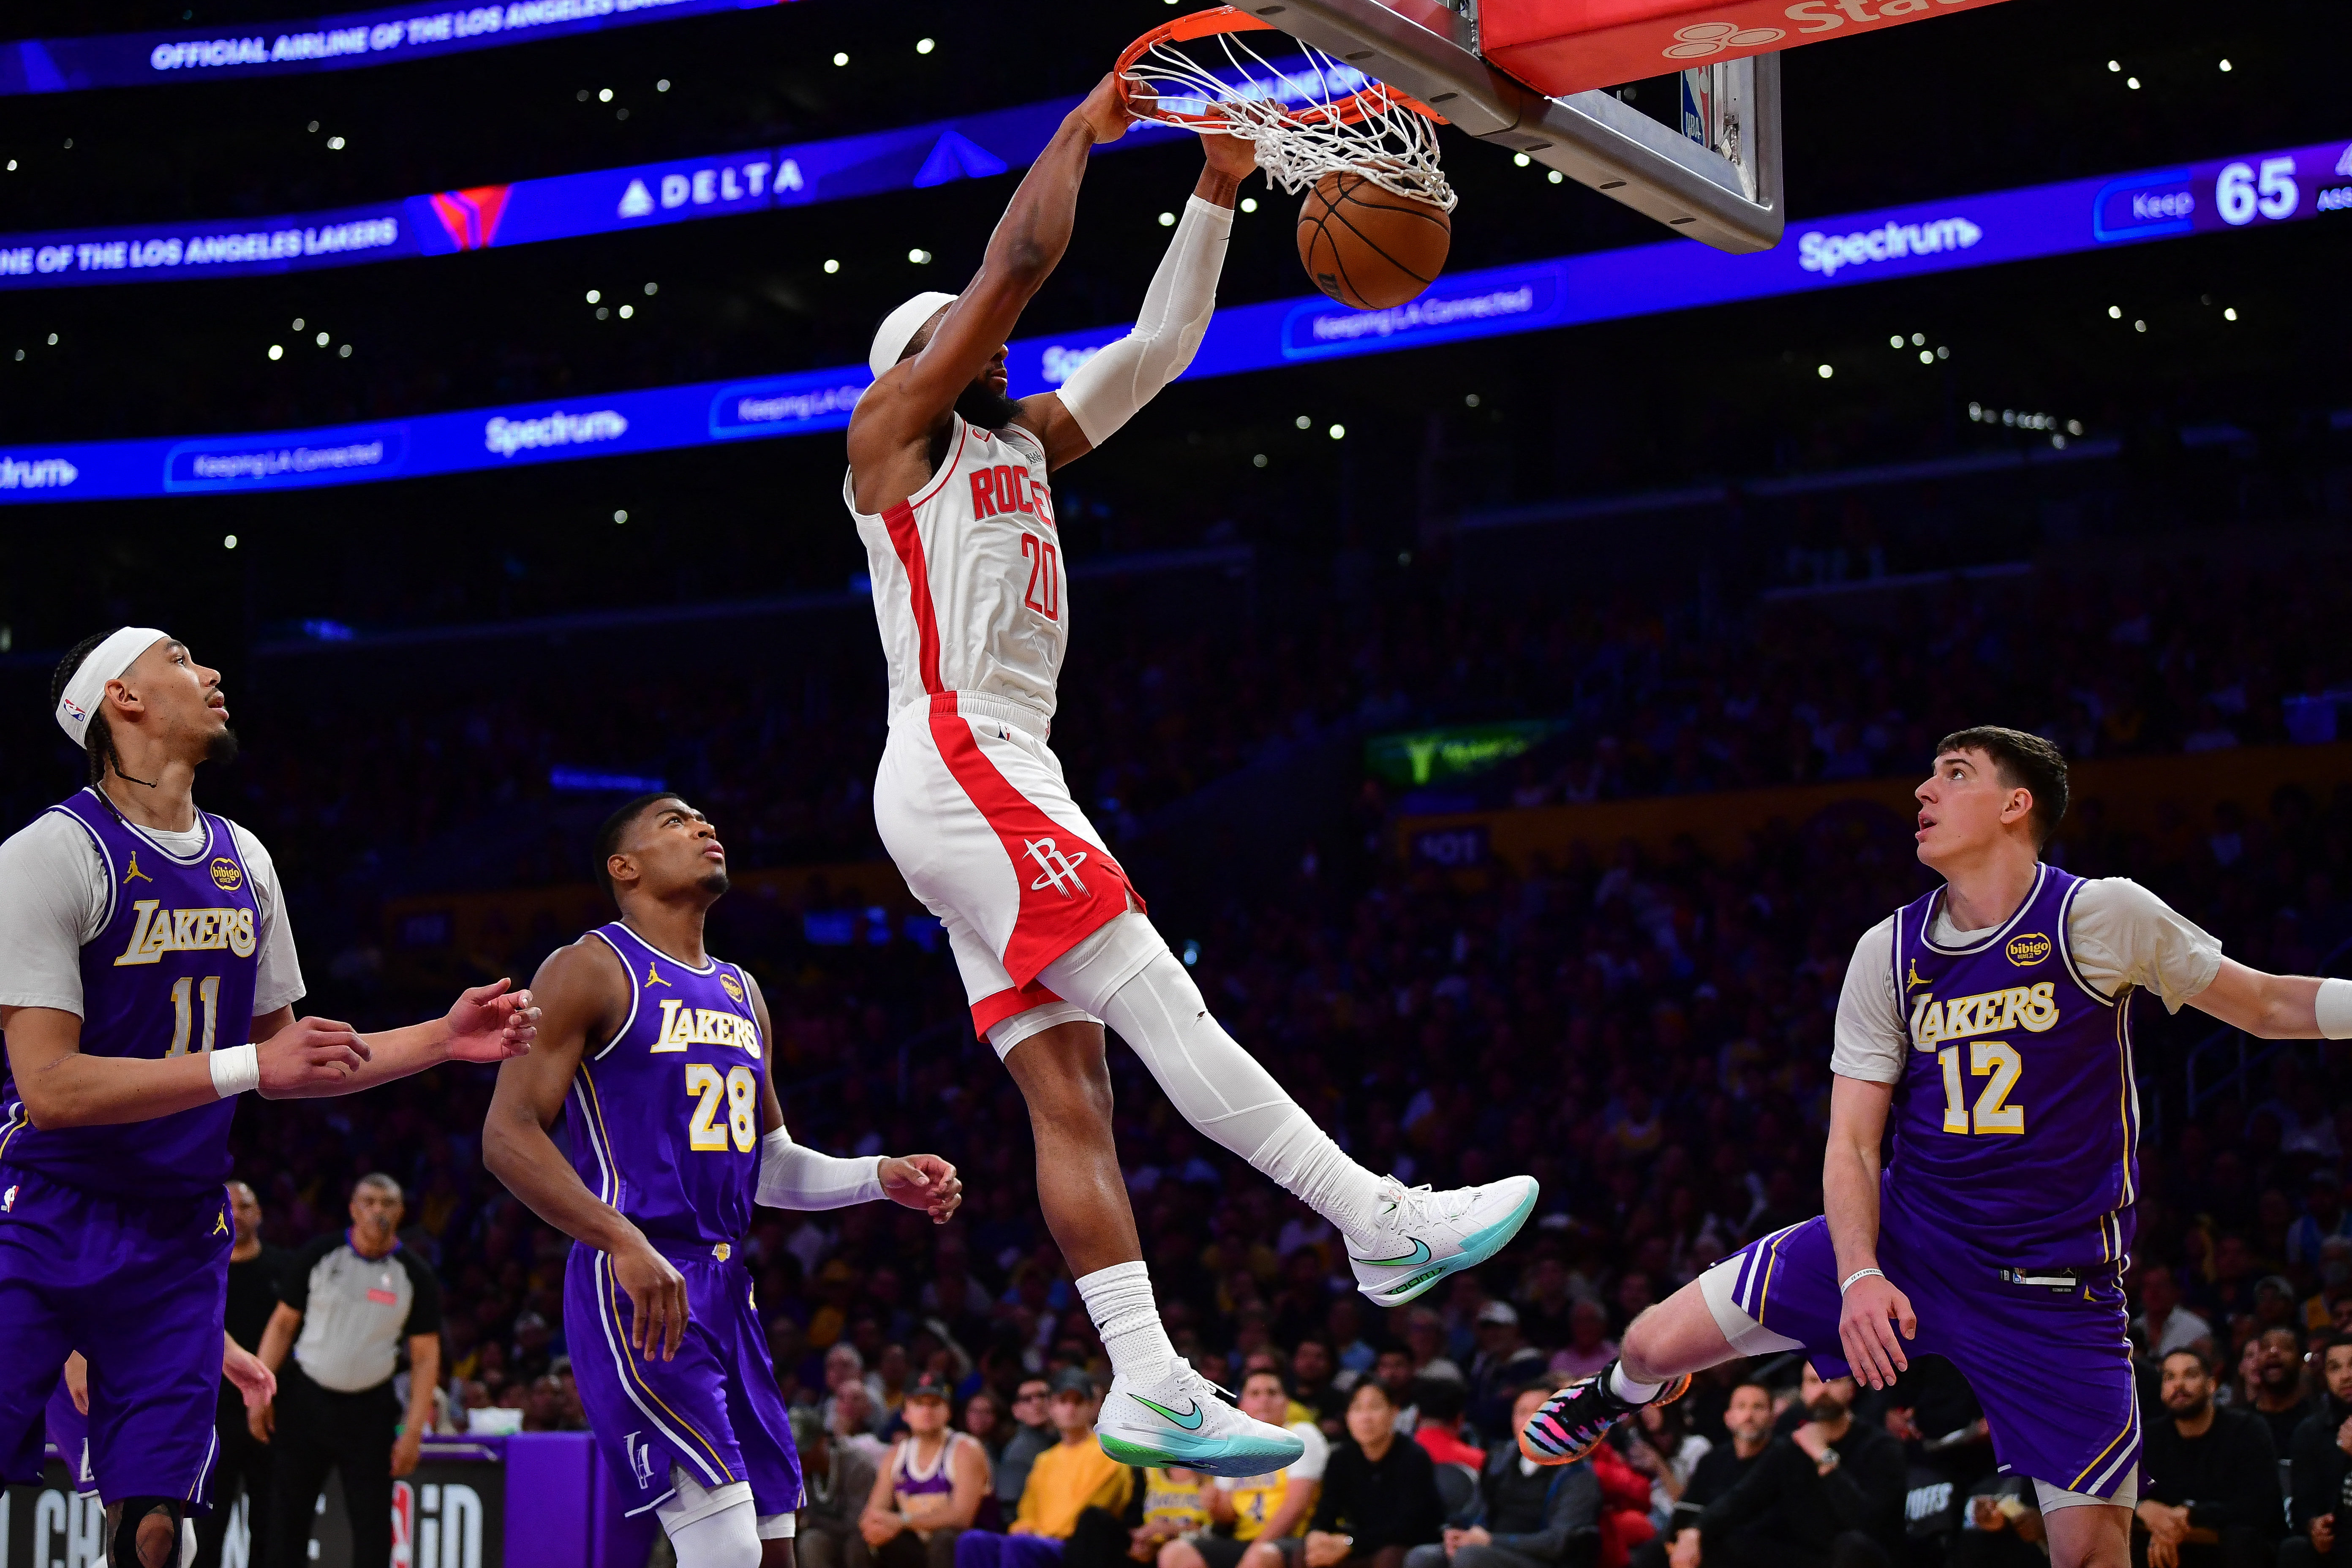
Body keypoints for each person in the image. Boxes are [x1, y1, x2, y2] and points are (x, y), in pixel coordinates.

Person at [841, 68, 1536, 1473]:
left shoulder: (1023, 442)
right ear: (922, 359)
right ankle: (1373, 1220)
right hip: (963, 752)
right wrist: (1077, 131)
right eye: (965, 343)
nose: (997, 350)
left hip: (986, 770)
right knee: (1163, 997)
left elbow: (1159, 345)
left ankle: (1147, 1376)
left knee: (1073, 1093)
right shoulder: (891, 441)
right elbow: (1019, 260)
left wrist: (1215, 185)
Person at [1520, 727, 2352, 1568]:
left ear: (2015, 804)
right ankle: (1612, 1396)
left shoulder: (2101, 915)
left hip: (2054, 1294)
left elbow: (2268, 1005)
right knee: (1647, 1344)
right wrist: (1859, 1274)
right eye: (1926, 774)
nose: (1923, 791)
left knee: (2096, 1557)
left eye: (1953, 775)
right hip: (1909, 1245)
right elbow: (1850, 1142)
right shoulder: (1887, 949)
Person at [0, 628, 535, 1568]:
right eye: (180, 658)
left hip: (177, 1232)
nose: (210, 673)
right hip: (42, 1213)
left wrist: (444, 1039)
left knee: (159, 1530)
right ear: (121, 697)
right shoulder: (47, 854)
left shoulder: (243, 857)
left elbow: (296, 1052)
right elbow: (50, 1089)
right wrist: (251, 1067)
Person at [481, 792, 964, 1568]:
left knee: (776, 1547)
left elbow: (770, 1162)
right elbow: (507, 1136)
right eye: (675, 821)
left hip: (724, 1286)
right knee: (728, 1549)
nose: (704, 827)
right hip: (635, 1283)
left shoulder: (744, 991)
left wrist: (879, 1177)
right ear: (624, 866)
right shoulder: (587, 967)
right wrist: (621, 1240)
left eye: (704, 818)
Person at [251, 1174, 444, 1568]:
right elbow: (283, 1325)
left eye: (387, 1203)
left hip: (370, 1411)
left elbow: (426, 1357)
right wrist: (260, 1392)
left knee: (373, 1526)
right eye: (369, 1201)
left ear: (401, 1212)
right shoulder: (320, 1255)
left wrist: (412, 1434)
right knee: (287, 1520)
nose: (378, 1210)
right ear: (353, 1209)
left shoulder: (415, 1275)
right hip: (306, 1402)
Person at [1690, 1367, 1904, 1568]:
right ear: (1802, 1390)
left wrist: (1823, 1456)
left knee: (1851, 1545)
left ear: (1852, 1389)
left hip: (1865, 1554)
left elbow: (1869, 1523)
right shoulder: (1790, 1448)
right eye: (1813, 1381)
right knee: (1731, 1540)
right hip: (1810, 1557)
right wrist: (1696, 1532)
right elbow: (1742, 1499)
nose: (1823, 1389)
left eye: (1834, 1380)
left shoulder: (1879, 1447)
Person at [194, 1179, 286, 1568]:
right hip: (210, 1411)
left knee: (270, 1521)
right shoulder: (198, 1269)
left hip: (270, 1411)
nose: (237, 1213)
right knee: (207, 1526)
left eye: (246, 1205)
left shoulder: (285, 1268)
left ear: (260, 1213)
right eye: (228, 1205)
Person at [1404, 1387, 1600, 1568]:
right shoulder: (1500, 1460)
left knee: (1471, 1557)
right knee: (1421, 1557)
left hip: (1540, 1559)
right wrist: (1455, 1533)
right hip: (1488, 1546)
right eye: (1522, 1412)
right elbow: (1473, 1513)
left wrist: (1491, 1541)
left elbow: (1558, 1542)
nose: (1531, 1420)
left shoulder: (1577, 1473)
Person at [956, 1370, 1135, 1568]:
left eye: (1078, 1402)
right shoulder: (1045, 1460)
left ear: (1094, 1407)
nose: (1070, 1409)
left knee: (1019, 1545)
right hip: (1037, 1541)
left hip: (1075, 1546)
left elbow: (1091, 1516)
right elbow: (1028, 1512)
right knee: (973, 1541)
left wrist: (1036, 1534)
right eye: (1062, 1402)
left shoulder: (1110, 1454)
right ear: (1051, 1408)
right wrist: (1024, 1528)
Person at [1160, 1368, 1330, 1568]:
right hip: (1243, 1541)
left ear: (1287, 1402)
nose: (1264, 1400)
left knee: (1259, 1557)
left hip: (1292, 1541)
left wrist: (1255, 1549)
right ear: (1242, 1406)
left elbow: (1296, 1507)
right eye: (1255, 1394)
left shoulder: (1301, 1435)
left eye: (1272, 1393)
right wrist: (1213, 1505)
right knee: (1175, 1553)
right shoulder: (1233, 1446)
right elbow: (1227, 1515)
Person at [1270, 1380, 1444, 1568]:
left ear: (1394, 1412)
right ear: (1347, 1417)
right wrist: (1316, 1535)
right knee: (1306, 1553)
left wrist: (1350, 1543)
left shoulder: (1414, 1457)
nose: (1366, 1417)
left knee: (1389, 1558)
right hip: (1358, 1542)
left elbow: (1408, 1526)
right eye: (1357, 1409)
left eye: (1375, 1408)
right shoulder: (1341, 1458)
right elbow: (1325, 1513)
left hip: (1402, 1544)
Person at [2134, 1349, 2281, 1568]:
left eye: (2190, 1375)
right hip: (2170, 1547)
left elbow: (2258, 1505)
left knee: (2242, 1538)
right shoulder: (2149, 1436)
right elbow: (2122, 1493)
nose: (2179, 1385)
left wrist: (2190, 1515)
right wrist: (2142, 1508)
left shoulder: (2248, 1430)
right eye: (2170, 1378)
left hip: (2231, 1545)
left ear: (2212, 1385)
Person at [1631, 1383, 1772, 1568]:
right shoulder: (1713, 1459)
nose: (1749, 1416)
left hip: (1754, 1543)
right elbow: (1688, 1505)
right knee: (1651, 1554)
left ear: (1772, 1416)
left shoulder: (1781, 1457)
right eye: (1741, 1407)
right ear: (1728, 1418)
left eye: (1759, 1407)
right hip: (1705, 1540)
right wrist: (1676, 1539)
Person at [864, 1372, 993, 1568]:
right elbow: (873, 1514)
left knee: (943, 1540)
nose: (927, 1411)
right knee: (868, 1540)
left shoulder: (966, 1450)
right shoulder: (897, 1455)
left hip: (972, 1546)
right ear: (905, 1414)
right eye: (919, 1404)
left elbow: (961, 1517)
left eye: (934, 1404)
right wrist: (875, 1529)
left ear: (948, 1412)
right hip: (921, 1543)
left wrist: (901, 1521)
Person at [2284, 1337, 2352, 1568]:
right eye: (2335, 1368)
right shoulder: (2310, 1432)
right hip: (2339, 1541)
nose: (2346, 1376)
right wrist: (2314, 1526)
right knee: (2295, 1550)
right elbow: (2302, 1504)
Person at [798, 1406, 883, 1568]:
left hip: (866, 1542)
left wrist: (810, 1520)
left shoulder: (857, 1466)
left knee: (857, 1544)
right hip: (832, 1539)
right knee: (811, 1541)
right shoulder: (803, 1472)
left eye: (803, 1451)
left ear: (822, 1441)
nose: (798, 1458)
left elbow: (857, 1524)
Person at [2249, 1326, 2314, 1452]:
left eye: (2286, 1347)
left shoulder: (2317, 1422)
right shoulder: (2240, 1423)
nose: (2273, 1352)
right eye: (2265, 1347)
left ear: (2302, 1362)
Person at [998, 1377, 1059, 1511]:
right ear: (1016, 1411)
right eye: (1027, 1399)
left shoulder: (1063, 1440)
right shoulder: (1017, 1454)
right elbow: (1010, 1508)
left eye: (1043, 1396)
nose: (1037, 1403)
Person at [2135, 1268, 2217, 1363]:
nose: (2154, 1292)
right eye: (2148, 1286)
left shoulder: (2196, 1329)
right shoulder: (2134, 1328)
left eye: (2161, 1285)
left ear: (2175, 1290)